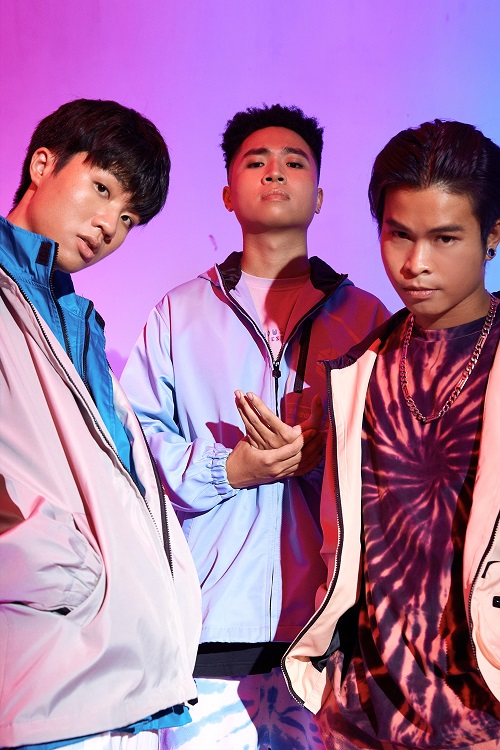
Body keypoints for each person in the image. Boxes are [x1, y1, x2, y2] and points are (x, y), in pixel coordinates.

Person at [121, 103, 388, 750]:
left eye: (294, 162)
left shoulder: (366, 318)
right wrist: (230, 469)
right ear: (227, 194)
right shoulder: (177, 314)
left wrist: (327, 455)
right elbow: (133, 452)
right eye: (256, 162)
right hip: (209, 638)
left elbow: (396, 467)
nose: (275, 172)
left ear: (319, 197)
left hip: (328, 643)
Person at [282, 119, 500, 749]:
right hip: (361, 717)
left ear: (492, 238)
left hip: (484, 715)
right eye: (399, 234)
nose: (415, 264)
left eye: (445, 238)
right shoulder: (357, 371)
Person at [0, 99, 201, 750]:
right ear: (43, 165)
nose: (110, 225)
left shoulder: (76, 320)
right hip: (42, 664)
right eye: (103, 188)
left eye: (129, 217)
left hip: (112, 680)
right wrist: (51, 564)